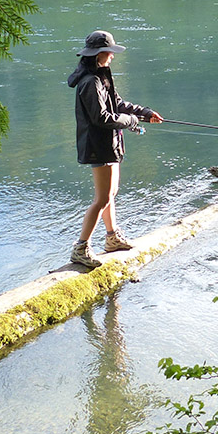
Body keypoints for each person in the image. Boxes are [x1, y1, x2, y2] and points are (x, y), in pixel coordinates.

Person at [66, 30, 164, 268]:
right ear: (99, 53)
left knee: (111, 194)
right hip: (97, 145)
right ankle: (81, 248)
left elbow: (117, 103)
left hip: (109, 143)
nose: (112, 56)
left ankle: (112, 239)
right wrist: (131, 121)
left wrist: (144, 112)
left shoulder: (101, 75)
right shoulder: (90, 82)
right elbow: (101, 117)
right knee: (101, 199)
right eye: (109, 52)